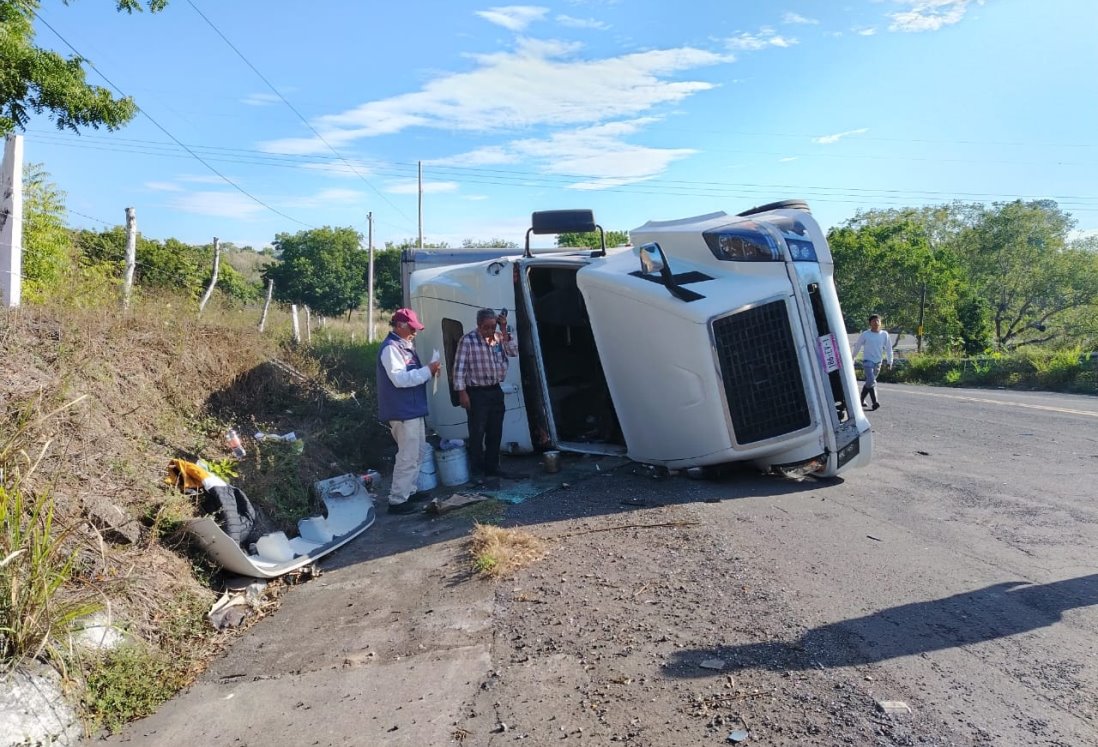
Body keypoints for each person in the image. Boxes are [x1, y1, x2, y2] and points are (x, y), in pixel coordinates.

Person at [376, 308, 441, 514]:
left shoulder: (405, 347)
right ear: (400, 326)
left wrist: (428, 372)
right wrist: (427, 371)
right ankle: (397, 501)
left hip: (412, 409)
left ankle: (409, 491)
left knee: (418, 452)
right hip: (402, 411)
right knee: (407, 455)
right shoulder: (390, 348)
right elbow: (400, 379)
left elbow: (411, 375)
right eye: (412, 328)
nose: (415, 331)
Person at [453, 307, 523, 485]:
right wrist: (462, 393)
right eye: (486, 327)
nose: (490, 331)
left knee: (495, 431)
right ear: (478, 325)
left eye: (493, 326)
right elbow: (459, 369)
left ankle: (493, 467)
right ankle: (477, 471)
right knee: (477, 433)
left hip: (494, 390)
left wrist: (504, 329)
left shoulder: (499, 338)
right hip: (477, 392)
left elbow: (513, 352)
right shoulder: (468, 340)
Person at [850, 314, 894, 411]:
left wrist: (890, 361)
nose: (876, 323)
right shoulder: (865, 334)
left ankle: (860, 399)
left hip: (878, 362)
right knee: (872, 380)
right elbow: (857, 346)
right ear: (870, 323)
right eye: (874, 321)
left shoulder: (884, 334)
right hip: (867, 361)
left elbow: (889, 349)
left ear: (880, 322)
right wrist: (852, 357)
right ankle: (875, 402)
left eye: (878, 321)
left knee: (870, 382)